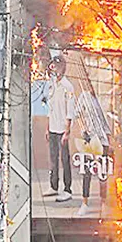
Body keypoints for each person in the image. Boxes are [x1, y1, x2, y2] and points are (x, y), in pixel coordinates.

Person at [42, 57, 76, 203]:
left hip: (63, 130)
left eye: (55, 67)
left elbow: (70, 111)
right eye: (51, 67)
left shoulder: (68, 86)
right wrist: (47, 128)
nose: (52, 69)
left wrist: (67, 132)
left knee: (64, 160)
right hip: (53, 128)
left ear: (62, 68)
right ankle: (53, 186)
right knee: (53, 159)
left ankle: (67, 189)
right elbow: (50, 109)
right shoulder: (52, 86)